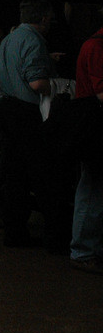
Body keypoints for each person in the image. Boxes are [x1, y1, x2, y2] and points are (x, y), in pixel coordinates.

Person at [0, 0, 63, 250]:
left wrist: (7, 84)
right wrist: (61, 87)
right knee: (42, 175)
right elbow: (37, 83)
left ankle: (15, 232)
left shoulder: (10, 39)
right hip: (27, 113)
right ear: (43, 18)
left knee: (15, 175)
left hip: (7, 110)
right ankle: (56, 237)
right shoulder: (34, 40)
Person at [69, 19, 103, 273]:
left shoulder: (92, 44)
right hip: (95, 126)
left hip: (89, 123)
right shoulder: (97, 46)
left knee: (92, 187)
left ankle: (86, 249)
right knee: (92, 187)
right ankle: (83, 251)